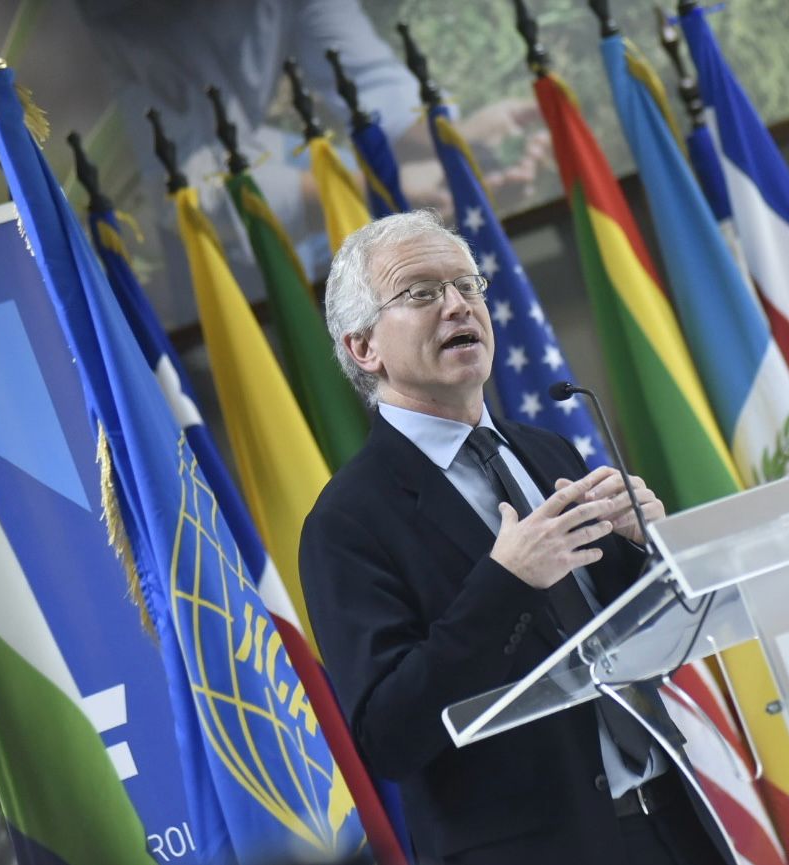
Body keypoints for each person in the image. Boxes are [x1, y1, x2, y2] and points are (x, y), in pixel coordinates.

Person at [299, 210, 733, 865]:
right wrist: (506, 582)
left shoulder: (549, 451)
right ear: (364, 348)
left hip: (672, 823)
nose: (457, 305)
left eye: (467, 285)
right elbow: (388, 735)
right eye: (421, 292)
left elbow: (627, 642)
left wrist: (646, 550)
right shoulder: (346, 521)